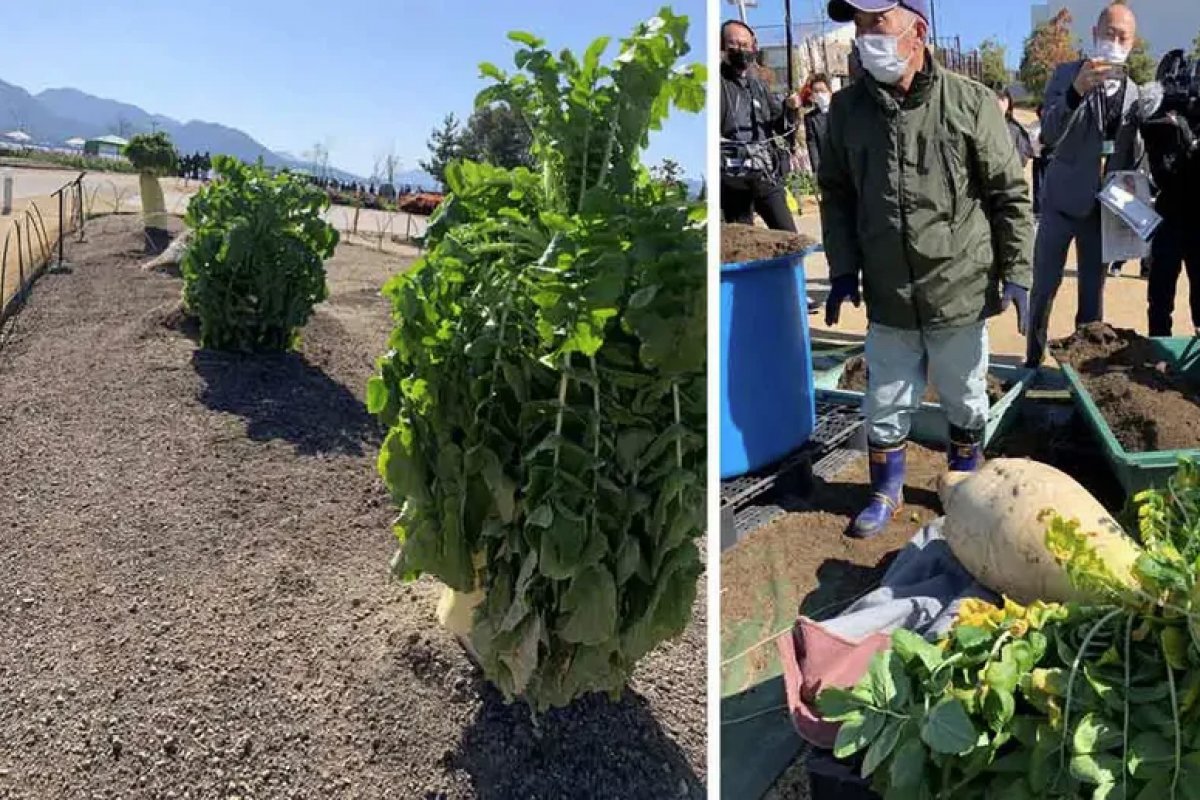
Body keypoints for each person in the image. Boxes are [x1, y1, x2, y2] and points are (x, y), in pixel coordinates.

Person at [820, 0, 1033, 539]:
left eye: (878, 22)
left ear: (917, 30)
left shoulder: (969, 103)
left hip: (957, 284)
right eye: (860, 25)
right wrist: (844, 269)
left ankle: (964, 485)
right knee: (885, 396)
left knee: (963, 391)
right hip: (890, 288)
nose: (866, 35)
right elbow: (837, 196)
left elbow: (1009, 194)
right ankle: (885, 489)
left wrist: (1019, 272)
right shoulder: (846, 112)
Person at [1024, 2, 1144, 368]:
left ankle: (1083, 370)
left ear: (1132, 43)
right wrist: (1076, 92)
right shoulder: (1065, 75)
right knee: (1044, 287)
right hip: (1060, 203)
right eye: (1108, 33)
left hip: (1100, 212)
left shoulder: (1135, 93)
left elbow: (1133, 158)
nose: (1114, 41)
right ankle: (1032, 359)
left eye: (1122, 36)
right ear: (1094, 34)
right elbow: (1049, 133)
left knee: (1092, 300)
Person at [719, 19, 817, 311]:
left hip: (764, 172)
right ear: (723, 47)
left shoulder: (758, 85)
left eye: (745, 44)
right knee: (741, 240)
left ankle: (797, 291)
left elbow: (779, 124)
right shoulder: (718, 84)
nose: (740, 49)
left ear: (754, 47)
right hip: (731, 176)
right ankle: (750, 301)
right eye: (733, 44)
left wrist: (790, 109)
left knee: (788, 234)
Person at [1143, 106, 1200, 336]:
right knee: (1160, 291)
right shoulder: (1164, 122)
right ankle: (1158, 346)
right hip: (1169, 215)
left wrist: (1190, 142)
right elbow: (1160, 171)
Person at [804, 74, 833, 184]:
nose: (820, 95)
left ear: (829, 91)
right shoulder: (811, 118)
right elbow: (812, 144)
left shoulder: (840, 112)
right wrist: (816, 171)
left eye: (822, 90)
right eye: (816, 91)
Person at [998, 89, 1034, 169]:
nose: (999, 103)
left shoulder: (1015, 128)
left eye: (1002, 99)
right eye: (997, 99)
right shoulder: (984, 125)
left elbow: (1024, 155)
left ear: (1008, 103)